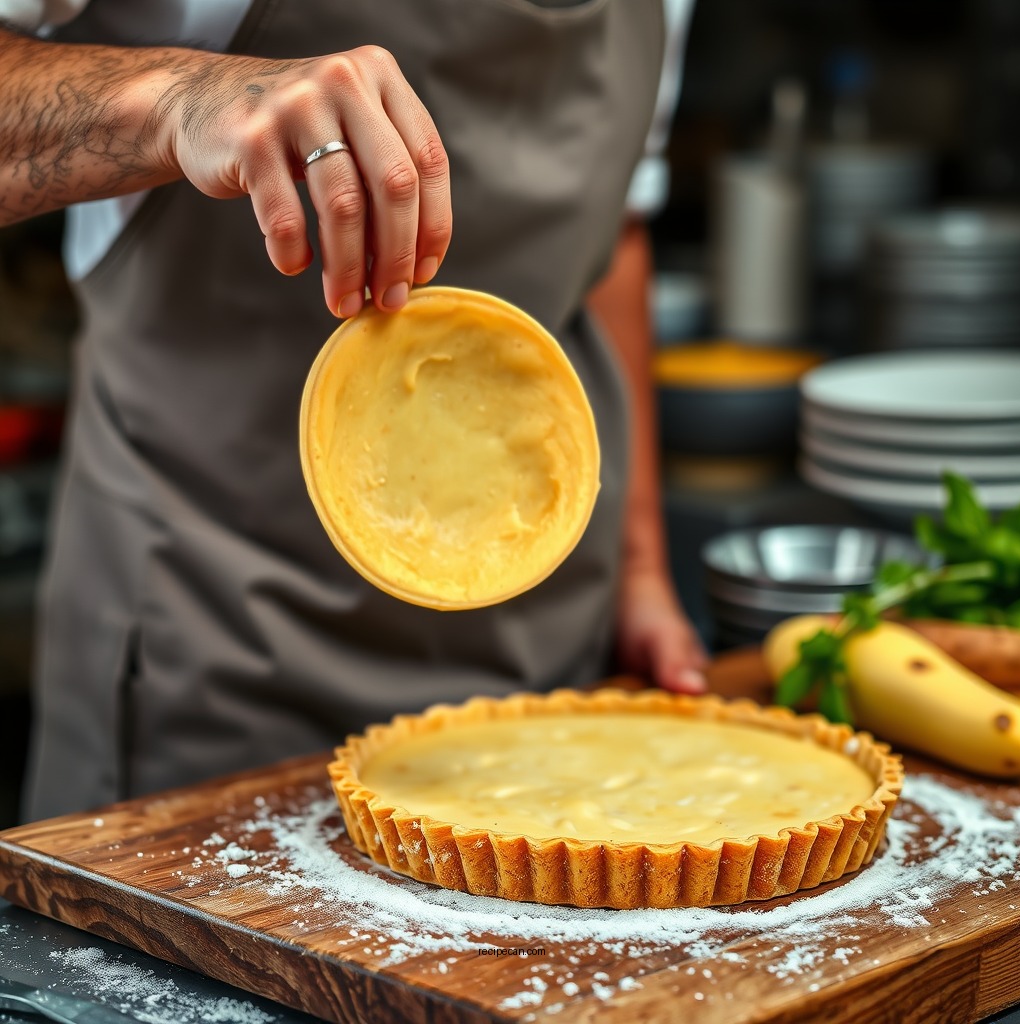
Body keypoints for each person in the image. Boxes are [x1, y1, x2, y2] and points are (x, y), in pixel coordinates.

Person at [0, 0, 708, 821]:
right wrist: (174, 97)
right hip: (214, 647)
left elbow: (612, 231)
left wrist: (642, 567)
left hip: (540, 666)